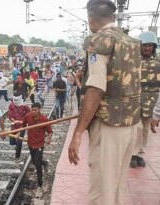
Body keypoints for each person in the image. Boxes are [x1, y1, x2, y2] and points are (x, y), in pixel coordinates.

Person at [68, 1, 142, 204]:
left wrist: (78, 132)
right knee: (116, 188)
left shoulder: (98, 42)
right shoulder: (131, 42)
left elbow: (96, 87)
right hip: (131, 124)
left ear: (91, 20)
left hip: (109, 127)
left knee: (101, 192)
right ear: (113, 18)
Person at [130, 31, 160, 168]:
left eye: (150, 45)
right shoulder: (133, 61)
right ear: (140, 46)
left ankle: (140, 154)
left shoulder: (158, 63)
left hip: (152, 101)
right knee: (137, 127)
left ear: (154, 47)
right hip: (135, 99)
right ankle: (133, 153)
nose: (147, 48)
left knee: (145, 129)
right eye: (145, 45)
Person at [22, 102, 52, 197]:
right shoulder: (28, 116)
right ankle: (45, 163)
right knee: (35, 162)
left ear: (40, 109)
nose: (33, 112)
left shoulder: (44, 119)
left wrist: (48, 138)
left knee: (37, 165)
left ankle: (40, 185)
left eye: (35, 110)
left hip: (39, 144)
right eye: (32, 110)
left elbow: (50, 132)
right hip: (31, 143)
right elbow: (23, 126)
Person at [8, 93, 31, 162]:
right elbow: (10, 115)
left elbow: (29, 117)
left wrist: (21, 122)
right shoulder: (11, 106)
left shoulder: (25, 107)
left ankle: (17, 157)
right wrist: (13, 120)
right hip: (13, 126)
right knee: (11, 141)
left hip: (22, 127)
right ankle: (16, 147)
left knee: (19, 141)